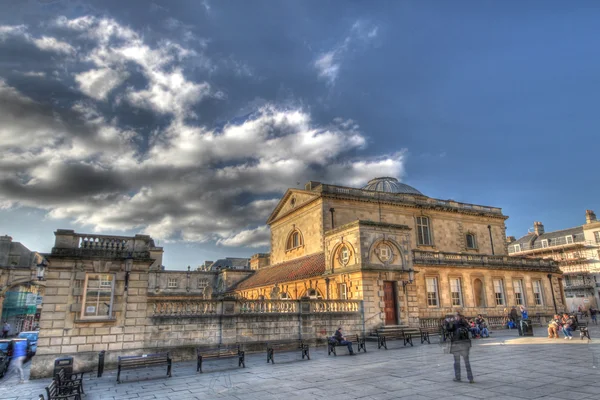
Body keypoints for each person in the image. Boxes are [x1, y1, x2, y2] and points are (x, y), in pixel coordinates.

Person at [448, 312, 474, 383]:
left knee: (457, 362)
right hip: (465, 345)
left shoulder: (455, 323)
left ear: (457, 317)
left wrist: (448, 322)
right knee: (467, 362)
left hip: (456, 345)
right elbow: (469, 329)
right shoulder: (465, 323)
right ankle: (470, 378)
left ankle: (458, 377)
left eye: (455, 316)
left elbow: (449, 329)